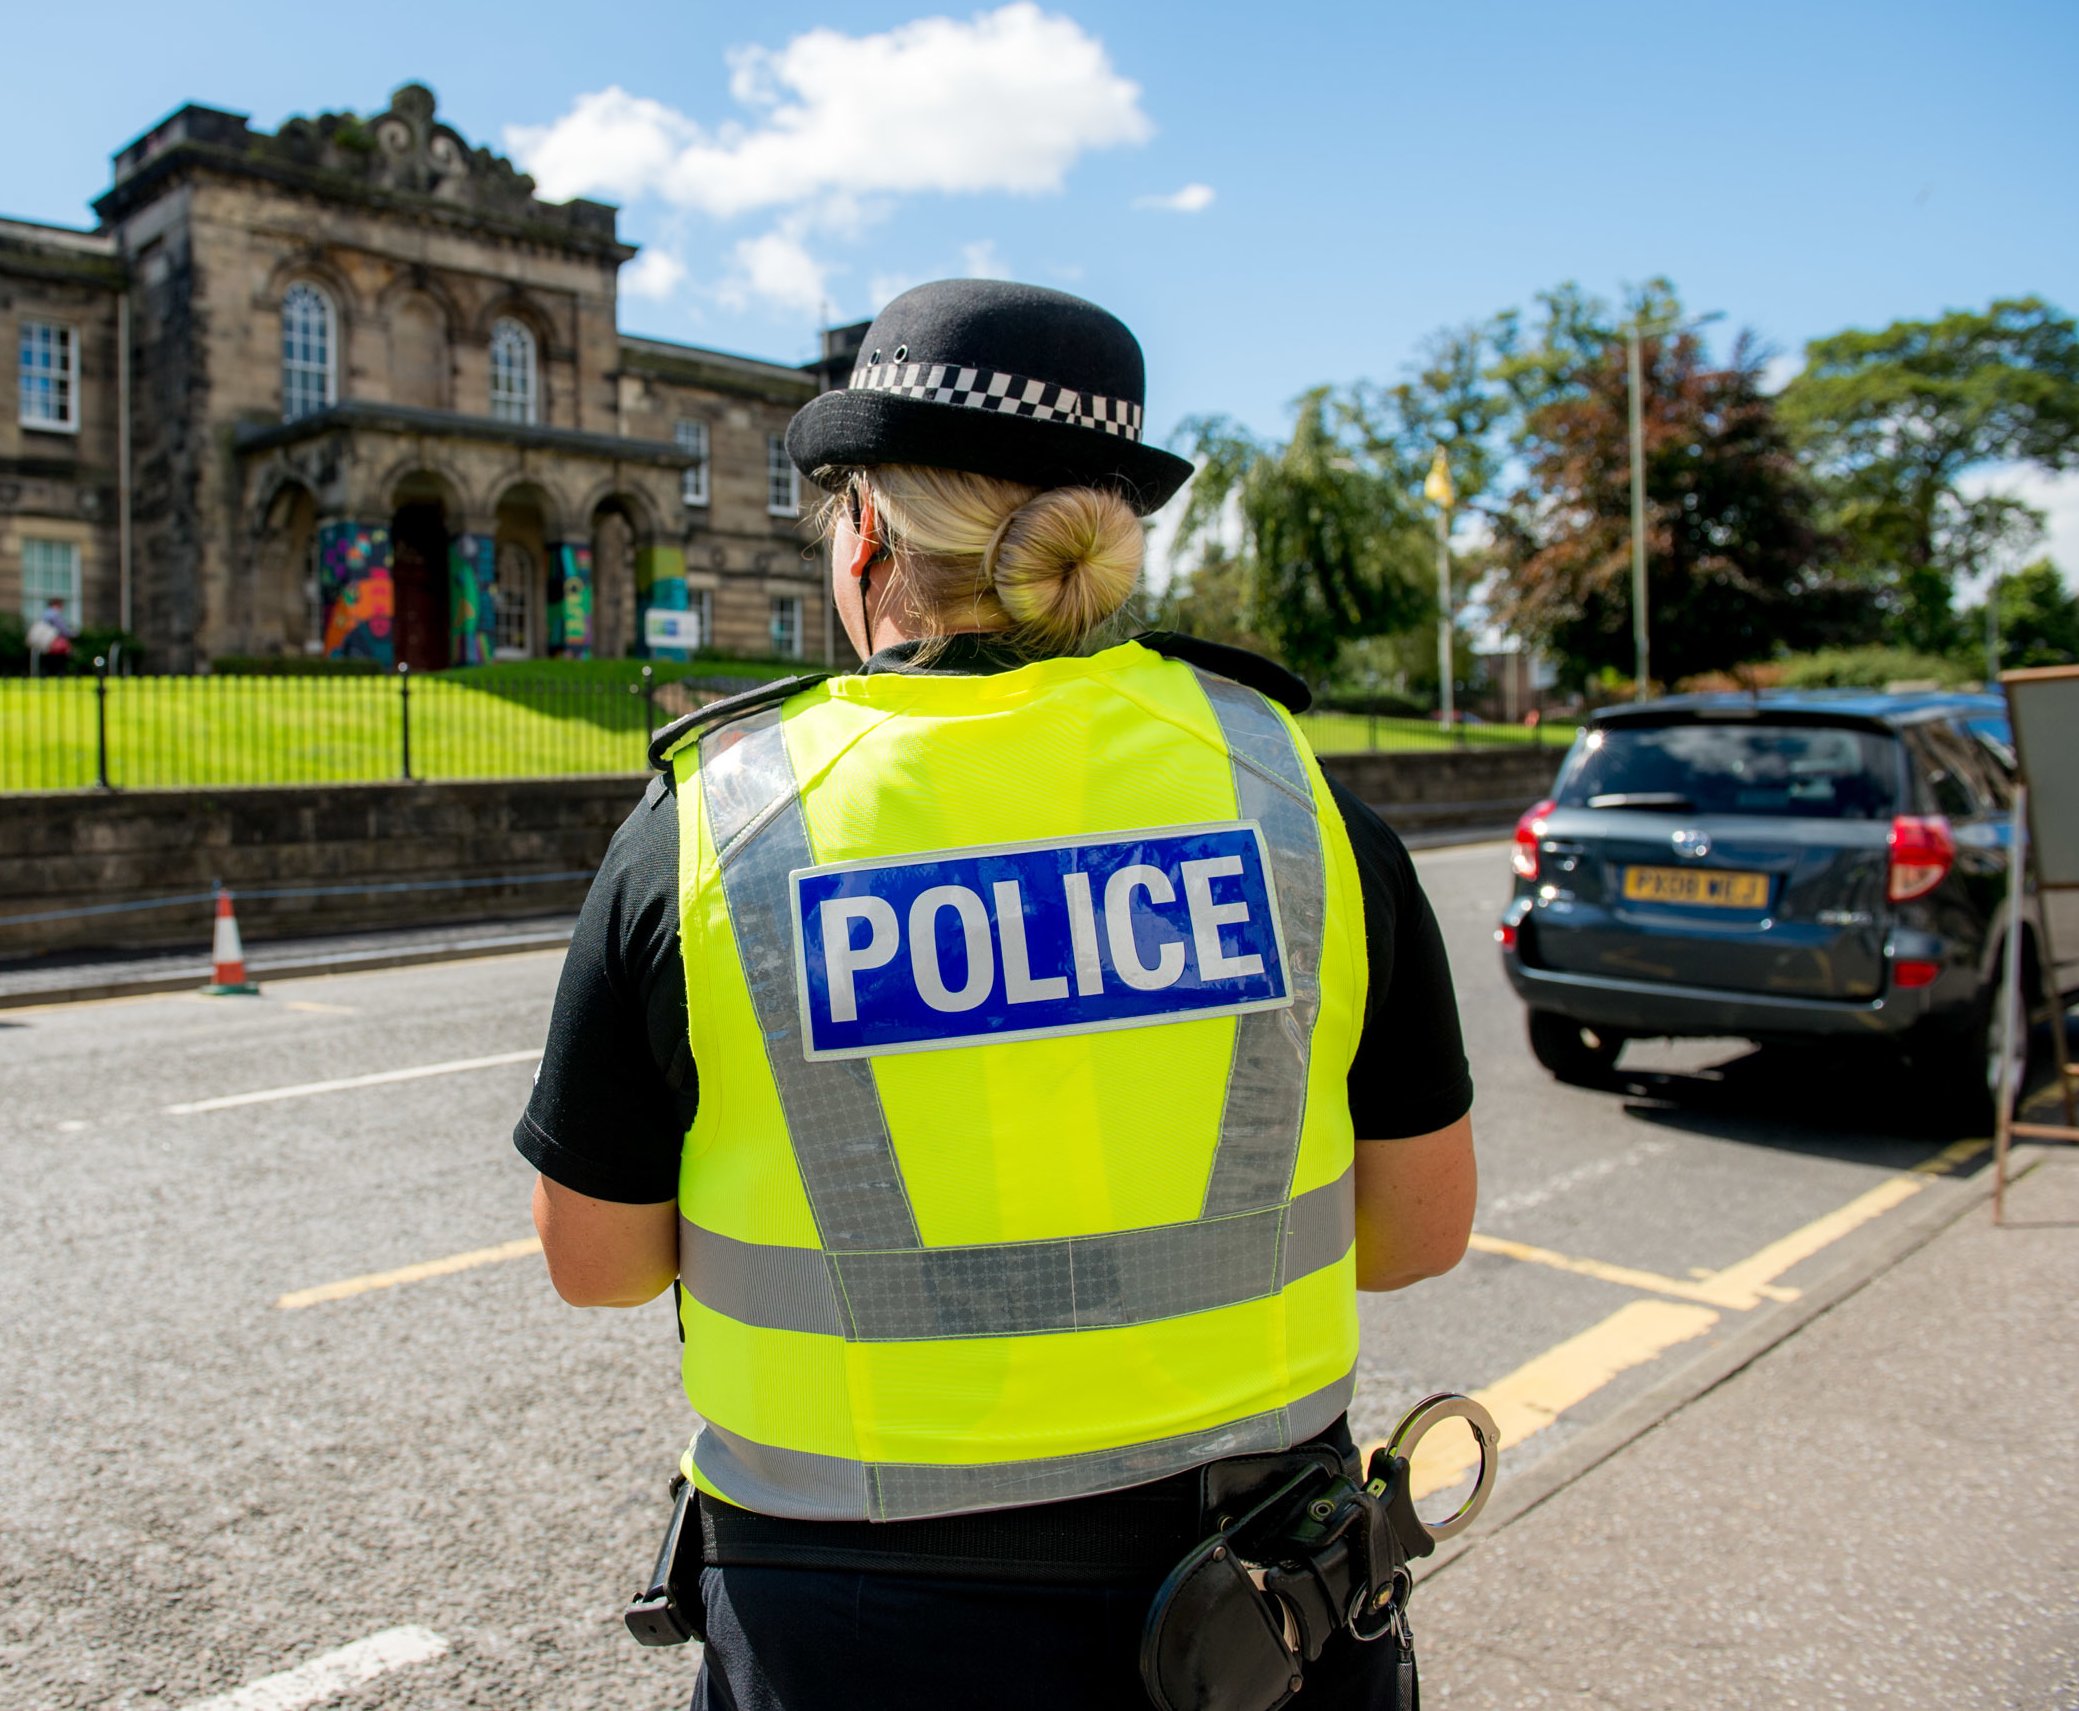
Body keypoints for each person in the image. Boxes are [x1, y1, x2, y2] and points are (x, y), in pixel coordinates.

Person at [514, 280, 1476, 1711]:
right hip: (1257, 1609)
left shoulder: (724, 827)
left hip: (852, 1622)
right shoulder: (1293, 799)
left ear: (871, 534)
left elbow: (596, 1262)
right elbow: (1414, 1233)